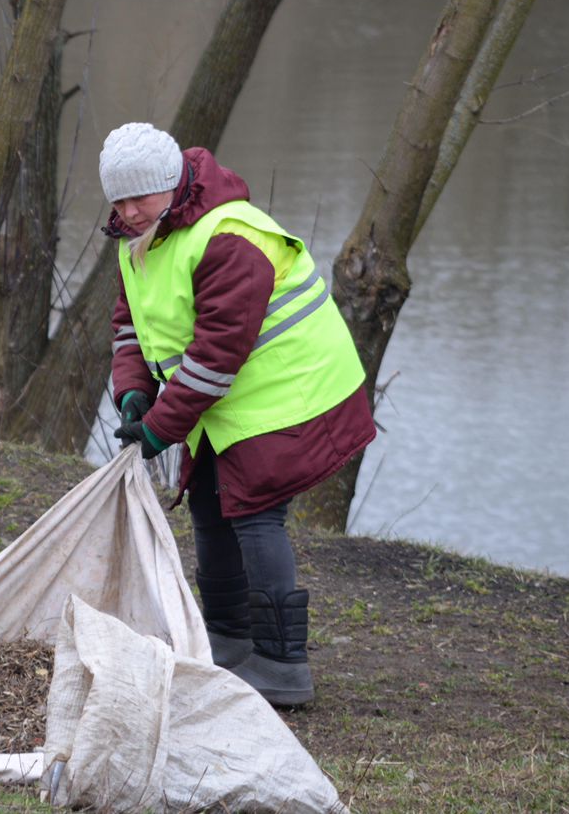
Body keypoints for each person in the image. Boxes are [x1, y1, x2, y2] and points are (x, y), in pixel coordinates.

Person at [100, 122, 375, 707]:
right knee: (207, 505)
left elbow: (216, 356)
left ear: (170, 184)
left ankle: (281, 666)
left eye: (138, 197)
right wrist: (134, 393)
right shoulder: (139, 238)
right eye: (116, 200)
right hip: (232, 399)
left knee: (254, 514)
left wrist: (158, 429)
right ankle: (226, 644)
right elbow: (131, 327)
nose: (126, 210)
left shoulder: (227, 238)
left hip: (292, 391)